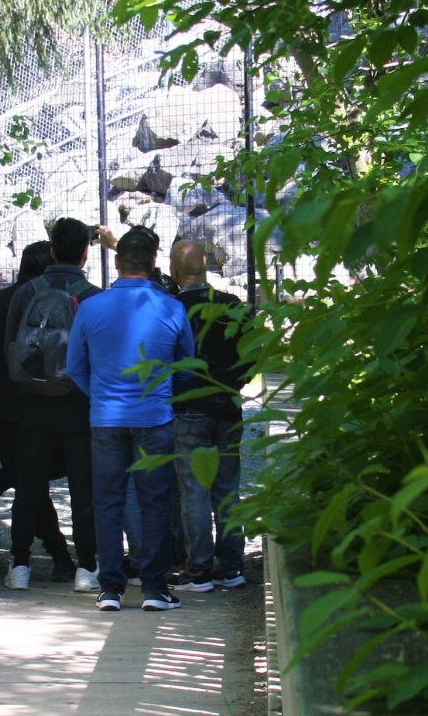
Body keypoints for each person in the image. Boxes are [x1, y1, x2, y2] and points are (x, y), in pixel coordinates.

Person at [67, 226, 196, 612]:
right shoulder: (172, 308)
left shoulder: (90, 307)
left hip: (105, 417)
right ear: (155, 260)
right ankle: (155, 587)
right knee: (155, 501)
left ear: (117, 262)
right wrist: (162, 394)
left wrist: (103, 395)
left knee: (107, 501)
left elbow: (75, 367)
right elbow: (186, 367)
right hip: (155, 416)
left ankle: (110, 588)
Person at [1, 218, 101, 593]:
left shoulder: (27, 293)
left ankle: (20, 565)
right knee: (83, 488)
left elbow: (10, 346)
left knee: (29, 486)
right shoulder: (92, 296)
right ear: (86, 252)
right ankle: (86, 567)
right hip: (78, 403)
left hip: (31, 403)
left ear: (52, 249)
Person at [0, 241, 76, 581]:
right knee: (38, 478)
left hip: (1, 407)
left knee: (27, 478)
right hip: (44, 405)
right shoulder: (52, 306)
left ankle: (34, 555)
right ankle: (59, 554)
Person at [169, 240, 252, 591]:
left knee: (194, 492)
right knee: (227, 489)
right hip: (228, 408)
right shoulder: (232, 306)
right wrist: (234, 384)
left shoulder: (171, 309)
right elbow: (251, 355)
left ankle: (199, 569)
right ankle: (232, 566)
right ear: (207, 268)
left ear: (174, 273)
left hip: (189, 411)